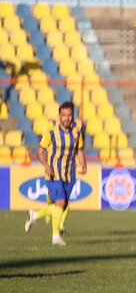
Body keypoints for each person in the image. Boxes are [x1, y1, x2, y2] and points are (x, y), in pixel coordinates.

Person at [24, 101, 87, 246]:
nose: (67, 118)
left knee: (62, 206)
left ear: (73, 116)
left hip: (69, 174)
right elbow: (39, 152)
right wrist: (46, 165)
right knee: (61, 202)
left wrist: (83, 164)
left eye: (69, 115)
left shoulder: (77, 132)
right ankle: (55, 236)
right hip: (54, 173)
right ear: (59, 116)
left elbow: (79, 150)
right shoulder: (51, 133)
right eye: (64, 115)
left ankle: (34, 215)